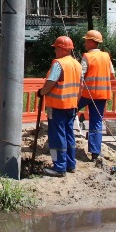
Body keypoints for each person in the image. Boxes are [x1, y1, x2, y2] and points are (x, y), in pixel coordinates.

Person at [36, 36, 82, 177]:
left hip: (58, 106)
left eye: (56, 48)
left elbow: (51, 82)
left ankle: (59, 167)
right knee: (69, 134)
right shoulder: (77, 64)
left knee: (57, 136)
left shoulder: (59, 64)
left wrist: (41, 92)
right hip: (71, 105)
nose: (55, 50)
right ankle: (70, 164)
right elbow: (80, 87)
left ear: (62, 49)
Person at [77, 29, 115, 166]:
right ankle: (94, 153)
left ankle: (65, 140)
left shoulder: (87, 56)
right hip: (103, 94)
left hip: (88, 94)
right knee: (96, 123)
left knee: (69, 111)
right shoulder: (106, 56)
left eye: (86, 40)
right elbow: (112, 75)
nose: (85, 43)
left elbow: (80, 76)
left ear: (92, 42)